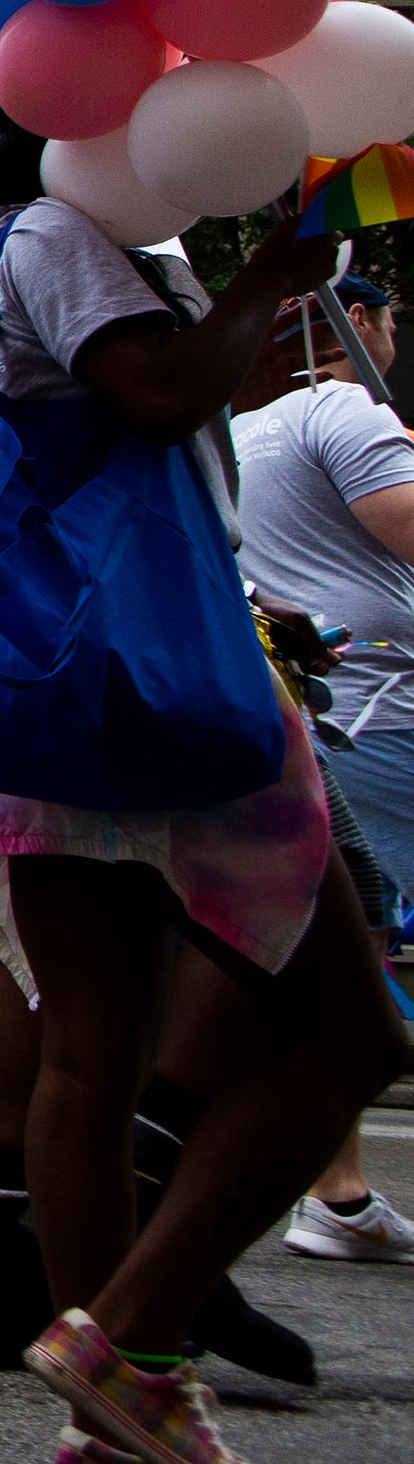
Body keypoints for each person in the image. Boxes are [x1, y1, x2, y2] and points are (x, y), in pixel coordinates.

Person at [0, 52, 407, 1464]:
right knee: (355, 1033)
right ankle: (133, 1332)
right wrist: (270, 281)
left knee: (89, 1063)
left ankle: (125, 1407)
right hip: (158, 693)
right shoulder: (48, 236)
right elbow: (157, 392)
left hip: (53, 706)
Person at [228, 276, 414, 1268]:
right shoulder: (342, 409)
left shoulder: (240, 429)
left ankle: (335, 1191)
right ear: (362, 326)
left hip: (309, 711)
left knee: (346, 945)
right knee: (348, 958)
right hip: (376, 714)